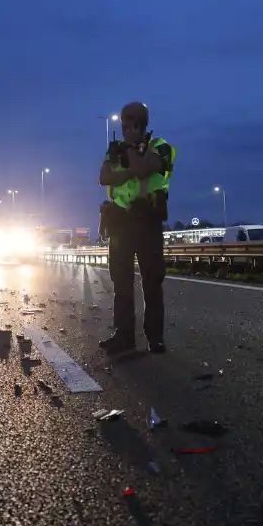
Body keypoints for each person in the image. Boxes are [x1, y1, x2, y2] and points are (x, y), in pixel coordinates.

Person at [98, 102, 177, 354]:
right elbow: (104, 177)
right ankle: (124, 336)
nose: (125, 132)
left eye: (129, 126)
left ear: (142, 125)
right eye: (122, 127)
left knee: (152, 282)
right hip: (121, 223)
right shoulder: (115, 149)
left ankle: (155, 338)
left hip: (148, 219)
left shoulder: (161, 147)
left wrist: (129, 159)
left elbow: (145, 170)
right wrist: (128, 164)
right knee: (121, 283)